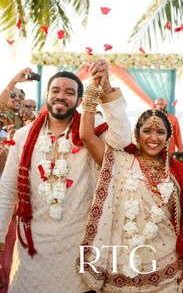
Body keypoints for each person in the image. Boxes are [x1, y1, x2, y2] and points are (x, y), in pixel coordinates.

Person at [0, 60, 131, 293]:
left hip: (77, 243)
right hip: (31, 246)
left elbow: (122, 139)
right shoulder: (23, 136)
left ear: (80, 101)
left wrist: (107, 89)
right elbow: (7, 191)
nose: (62, 96)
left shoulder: (90, 129)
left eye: (70, 92)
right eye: (56, 90)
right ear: (47, 96)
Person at [77, 82, 183, 292]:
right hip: (121, 266)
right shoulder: (120, 161)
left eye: (160, 132)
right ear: (136, 134)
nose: (154, 138)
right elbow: (87, 136)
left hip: (166, 269)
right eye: (147, 131)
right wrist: (93, 91)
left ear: (168, 138)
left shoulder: (178, 172)